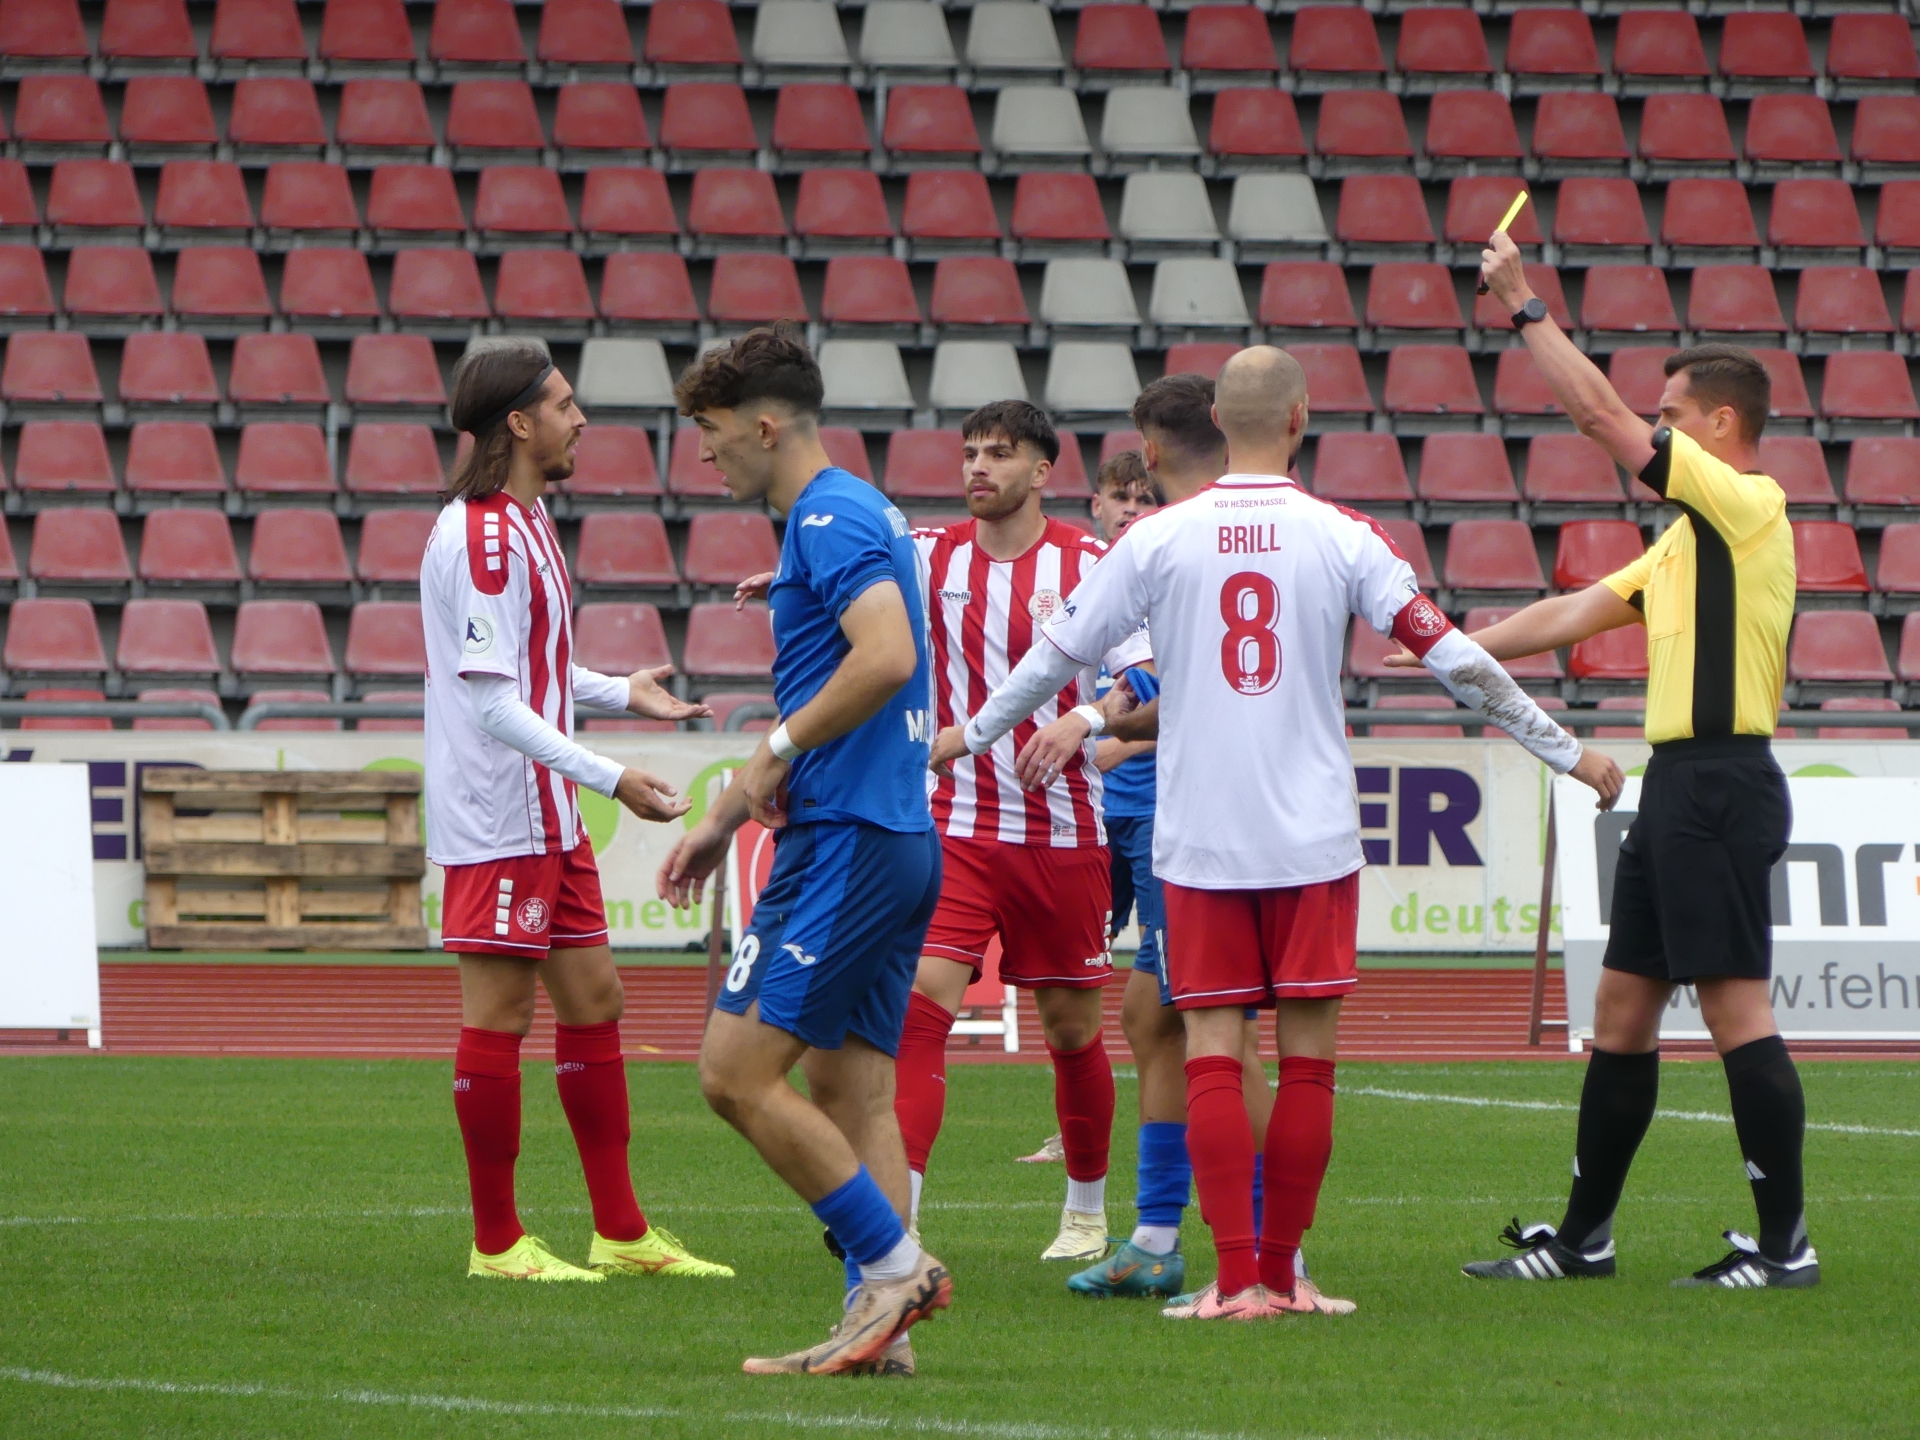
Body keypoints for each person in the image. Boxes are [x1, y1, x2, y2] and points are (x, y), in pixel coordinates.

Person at [934, 346, 1624, 1319]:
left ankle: (1235, 1282)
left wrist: (968, 736)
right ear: (1301, 419)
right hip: (1312, 839)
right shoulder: (1345, 535)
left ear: (1220, 417)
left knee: (1213, 1049)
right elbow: (1457, 660)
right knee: (1306, 1065)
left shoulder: (1156, 538)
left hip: (1201, 838)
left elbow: (1050, 660)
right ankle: (1290, 1275)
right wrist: (1566, 751)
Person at [1442, 233, 1814, 1289]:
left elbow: (1601, 418)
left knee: (1737, 1013)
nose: (1659, 426)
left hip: (1721, 784)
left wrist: (1525, 306)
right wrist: (1450, 646)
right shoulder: (1690, 537)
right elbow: (1573, 611)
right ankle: (1584, 1241)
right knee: (1620, 1013)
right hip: (1681, 788)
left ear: (1722, 424)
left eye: (1675, 414)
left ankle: (1786, 1247)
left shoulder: (1748, 505)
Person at [656, 325, 951, 1376]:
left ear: (767, 425)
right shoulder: (846, 514)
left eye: (713, 431)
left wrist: (770, 755)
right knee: (852, 1091)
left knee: (733, 1075)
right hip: (890, 834)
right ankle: (881, 1332)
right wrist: (728, 816)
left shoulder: (829, 517)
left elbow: (887, 656)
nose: (705, 453)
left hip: (850, 845)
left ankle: (897, 1270)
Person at [421, 340, 731, 1283]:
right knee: (501, 1016)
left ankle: (621, 1232)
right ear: (518, 423)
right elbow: (492, 702)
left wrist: (618, 690)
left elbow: (535, 668)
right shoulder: (481, 537)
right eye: (562, 404)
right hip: (499, 818)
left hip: (546, 811)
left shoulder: (527, 519)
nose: (580, 417)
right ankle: (496, 1244)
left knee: (597, 1001)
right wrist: (611, 776)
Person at [896, 400, 1152, 1264]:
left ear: (1042, 472)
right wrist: (787, 583)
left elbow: (1146, 676)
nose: (978, 466)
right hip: (954, 828)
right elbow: (849, 576)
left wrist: (1086, 717)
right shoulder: (929, 555)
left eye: (999, 454)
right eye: (970, 451)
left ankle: (1085, 1214)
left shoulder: (1090, 564)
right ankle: (901, 1220)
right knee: (920, 1010)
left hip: (1063, 834)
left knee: (1072, 1032)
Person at [1040, 385, 1280, 1302]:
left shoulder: (1186, 548)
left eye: (1144, 487)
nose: (1135, 505)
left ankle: (1272, 1248)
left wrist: (1097, 722)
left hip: (1201, 819)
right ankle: (1154, 1237)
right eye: (1122, 497)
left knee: (1224, 1032)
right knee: (1151, 1017)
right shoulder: (1169, 549)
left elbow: (1187, 685)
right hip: (1163, 815)